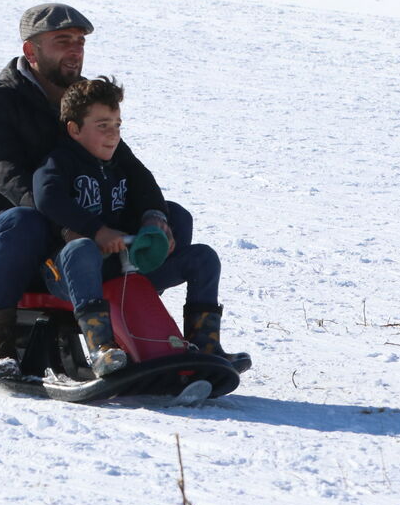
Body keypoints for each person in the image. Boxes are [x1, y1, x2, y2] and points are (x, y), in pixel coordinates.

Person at [0, 3, 190, 380]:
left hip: (75, 239)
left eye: (80, 42)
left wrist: (154, 216)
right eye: (62, 41)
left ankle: (137, 331)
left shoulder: (79, 102)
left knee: (173, 217)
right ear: (31, 52)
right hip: (2, 243)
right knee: (26, 221)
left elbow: (132, 170)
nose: (75, 51)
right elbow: (9, 179)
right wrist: (71, 226)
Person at [33, 76, 251, 377]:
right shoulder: (59, 162)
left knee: (204, 257)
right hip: (70, 274)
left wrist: (154, 219)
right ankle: (102, 348)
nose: (113, 135)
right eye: (102, 126)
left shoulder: (119, 158)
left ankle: (205, 345)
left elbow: (147, 186)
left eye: (117, 125)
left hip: (125, 269)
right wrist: (96, 231)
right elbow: (47, 198)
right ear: (74, 129)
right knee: (81, 249)